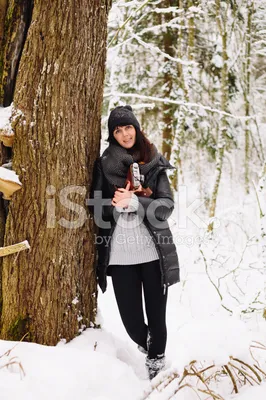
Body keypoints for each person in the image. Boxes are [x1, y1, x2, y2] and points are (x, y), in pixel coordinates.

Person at [90, 105, 180, 380]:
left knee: (157, 318)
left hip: (154, 253)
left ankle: (157, 372)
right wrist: (115, 204)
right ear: (112, 135)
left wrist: (137, 201)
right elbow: (95, 208)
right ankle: (153, 350)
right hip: (120, 256)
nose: (125, 133)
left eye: (128, 127)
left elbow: (166, 206)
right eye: (118, 130)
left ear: (137, 128)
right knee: (132, 323)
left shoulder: (154, 161)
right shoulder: (104, 165)